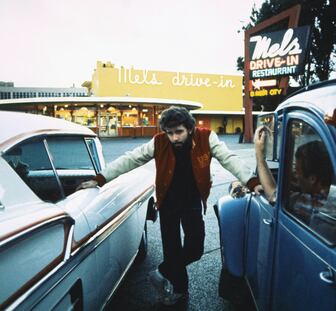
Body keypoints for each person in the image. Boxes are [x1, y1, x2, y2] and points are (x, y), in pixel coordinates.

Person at [77, 106, 260, 306]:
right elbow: (130, 159)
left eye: (179, 132)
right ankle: (180, 292)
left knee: (195, 248)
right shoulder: (159, 142)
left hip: (191, 202)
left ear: (189, 129)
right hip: (167, 203)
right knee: (172, 250)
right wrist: (100, 178)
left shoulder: (206, 138)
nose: (174, 138)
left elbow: (229, 159)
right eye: (170, 133)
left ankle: (161, 272)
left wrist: (251, 181)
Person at [254, 126, 336, 222]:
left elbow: (273, 197)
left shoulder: (317, 203)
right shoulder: (334, 193)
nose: (294, 174)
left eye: (297, 170)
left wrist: (259, 156)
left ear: (312, 179)